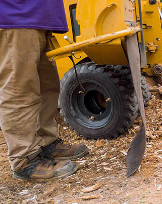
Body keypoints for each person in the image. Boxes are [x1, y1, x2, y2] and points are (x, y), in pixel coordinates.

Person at [0, 1, 89, 181]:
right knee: (19, 90)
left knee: (47, 88)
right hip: (15, 16)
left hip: (39, 19)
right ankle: (24, 159)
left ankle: (46, 143)